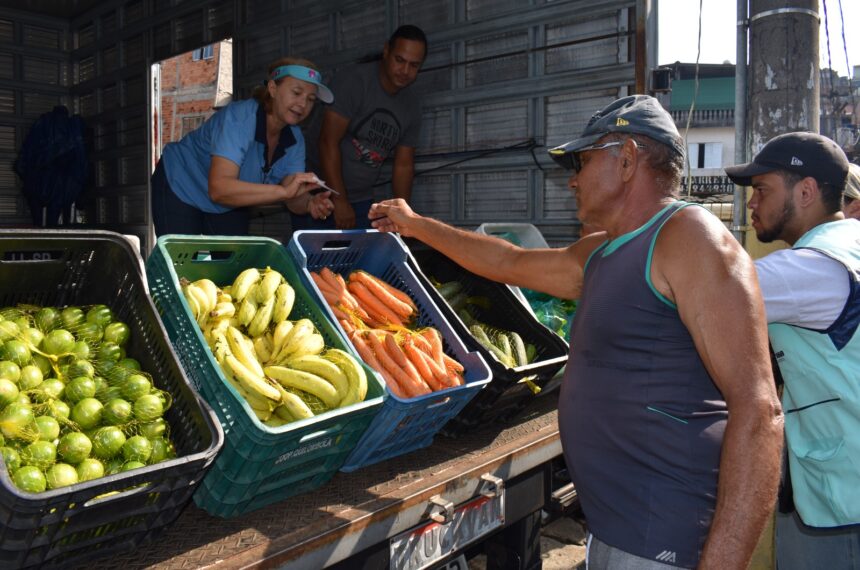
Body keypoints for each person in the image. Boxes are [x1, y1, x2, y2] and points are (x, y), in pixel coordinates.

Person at [370, 95, 783, 569]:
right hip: (612, 530)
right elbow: (508, 261)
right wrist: (417, 225)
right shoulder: (602, 253)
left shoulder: (690, 238)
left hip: (664, 538)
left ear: (627, 159)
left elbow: (760, 412)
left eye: (584, 161)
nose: (572, 178)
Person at [725, 132, 860, 570]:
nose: (751, 204)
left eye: (762, 190)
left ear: (806, 191)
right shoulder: (850, 242)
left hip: (842, 505)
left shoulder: (809, 268)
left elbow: (699, 295)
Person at [151, 57, 335, 236]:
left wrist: (309, 203)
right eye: (296, 92)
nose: (303, 104)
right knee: (179, 261)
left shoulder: (295, 139)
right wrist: (284, 192)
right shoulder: (240, 118)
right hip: (182, 183)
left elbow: (292, 196)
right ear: (272, 88)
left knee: (233, 262)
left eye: (311, 99)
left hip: (228, 201)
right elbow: (220, 189)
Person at [290, 25, 426, 232]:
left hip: (363, 199)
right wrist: (340, 201)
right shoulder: (354, 81)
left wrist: (402, 215)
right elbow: (328, 142)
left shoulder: (411, 105)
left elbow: (404, 165)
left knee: (360, 263)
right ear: (386, 51)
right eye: (400, 60)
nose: (405, 71)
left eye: (414, 65)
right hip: (322, 194)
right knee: (314, 262)